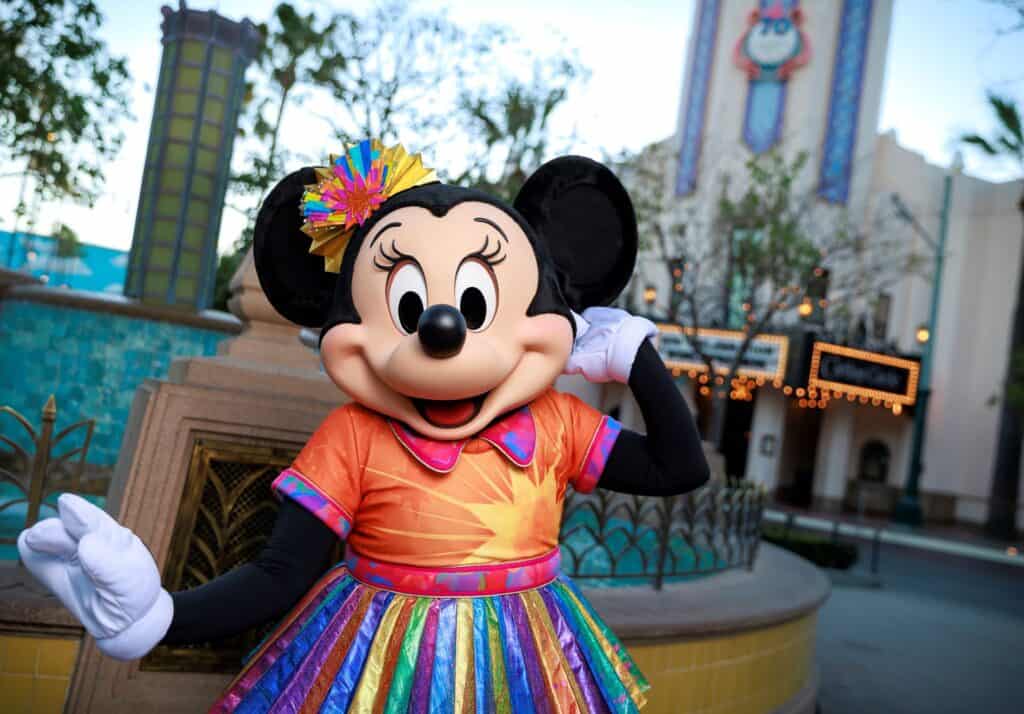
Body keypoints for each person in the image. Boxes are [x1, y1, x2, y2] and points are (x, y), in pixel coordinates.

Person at [19, 141, 709, 712]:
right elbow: (279, 573)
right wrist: (160, 616)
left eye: (472, 301)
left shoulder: (557, 421)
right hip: (378, 658)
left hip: (525, 653)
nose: (442, 329)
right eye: (411, 303)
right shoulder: (355, 434)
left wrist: (635, 356)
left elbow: (679, 469)